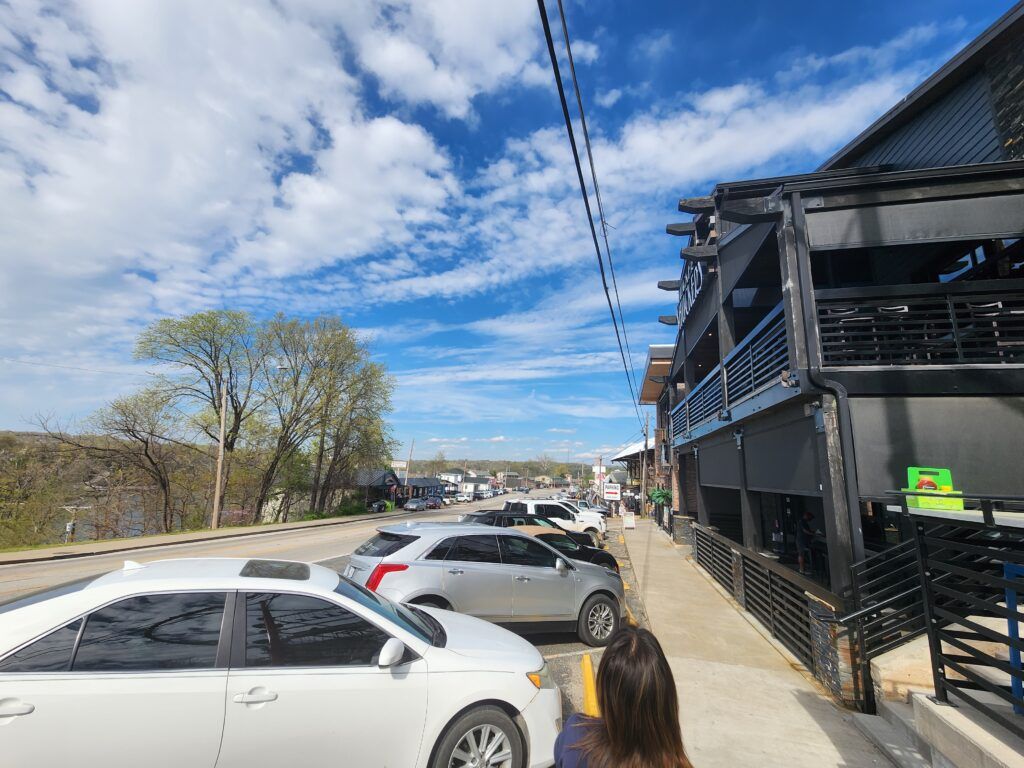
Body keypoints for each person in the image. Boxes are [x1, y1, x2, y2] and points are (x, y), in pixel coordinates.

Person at [554, 626, 693, 768]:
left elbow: (558, 753)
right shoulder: (675, 762)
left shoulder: (576, 737)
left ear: (604, 690)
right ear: (665, 697)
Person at [796, 509, 816, 575]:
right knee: (801, 555)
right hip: (801, 541)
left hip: (801, 541)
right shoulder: (802, 522)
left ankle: (802, 569)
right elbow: (805, 531)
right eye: (810, 518)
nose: (810, 520)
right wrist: (813, 534)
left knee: (801, 555)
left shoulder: (803, 522)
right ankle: (802, 570)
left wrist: (812, 532)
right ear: (807, 516)